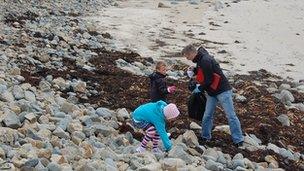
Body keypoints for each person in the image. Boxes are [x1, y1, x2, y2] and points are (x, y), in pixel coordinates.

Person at [181, 44, 244, 147]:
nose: (187, 59)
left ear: (191, 53)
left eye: (187, 57)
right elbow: (204, 72)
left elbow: (209, 79)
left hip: (222, 91)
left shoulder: (205, 60)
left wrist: (199, 88)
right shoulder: (200, 60)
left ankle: (238, 140)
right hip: (211, 92)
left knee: (231, 116)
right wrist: (194, 70)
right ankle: (205, 137)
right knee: (207, 115)